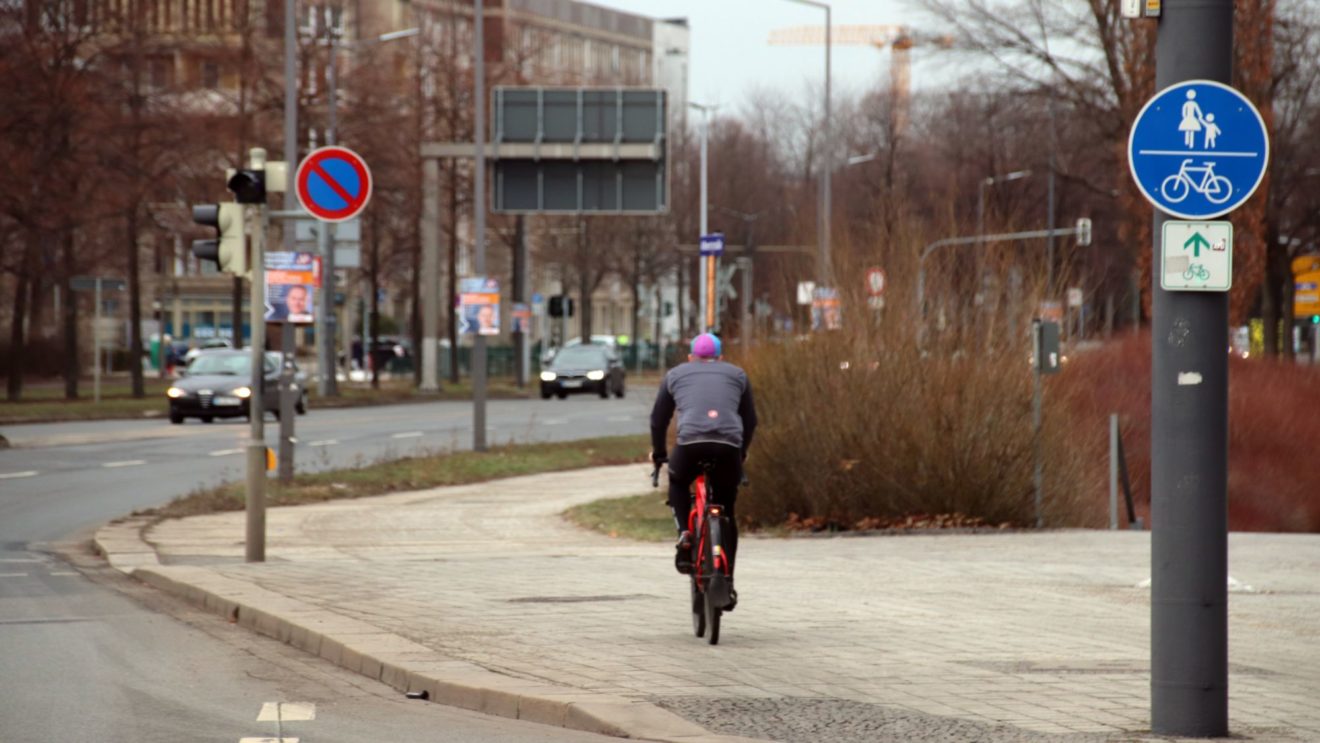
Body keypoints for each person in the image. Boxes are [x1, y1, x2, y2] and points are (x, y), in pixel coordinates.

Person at [649, 332, 758, 607]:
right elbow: (751, 420)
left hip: (690, 446)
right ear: (720, 358)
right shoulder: (738, 375)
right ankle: (727, 579)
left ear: (691, 357)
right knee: (727, 511)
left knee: (677, 481)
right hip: (727, 447)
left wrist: (660, 454)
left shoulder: (675, 374)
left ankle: (685, 534)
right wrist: (741, 452)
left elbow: (658, 420)